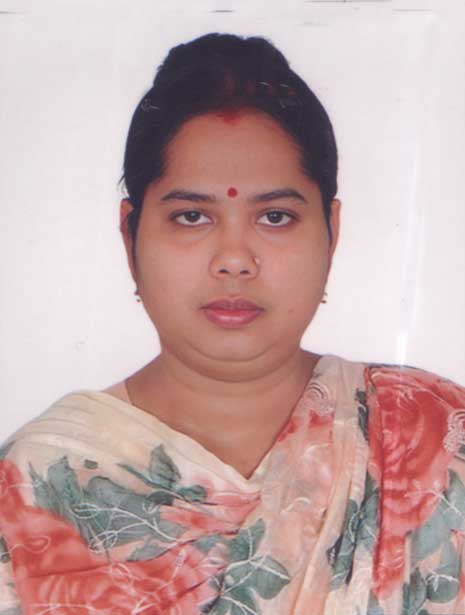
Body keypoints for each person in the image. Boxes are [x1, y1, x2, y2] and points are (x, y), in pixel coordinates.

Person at [1, 31, 465, 615]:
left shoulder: (432, 438)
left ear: (331, 233)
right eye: (192, 216)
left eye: (276, 217)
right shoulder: (35, 484)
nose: (235, 259)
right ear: (130, 236)